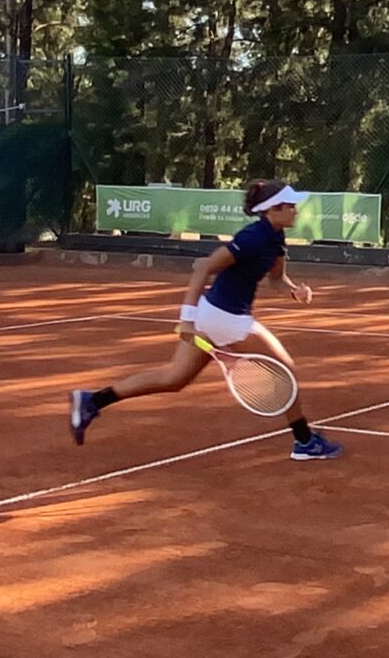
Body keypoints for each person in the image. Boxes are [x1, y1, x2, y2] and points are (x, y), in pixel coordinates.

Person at [69, 180, 342, 461]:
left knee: (174, 378)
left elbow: (276, 278)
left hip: (214, 315)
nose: (296, 211)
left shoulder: (275, 237)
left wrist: (295, 291)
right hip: (225, 318)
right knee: (284, 371)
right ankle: (304, 441)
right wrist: (186, 319)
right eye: (291, 206)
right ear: (274, 209)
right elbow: (204, 268)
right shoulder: (252, 238)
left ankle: (93, 400)